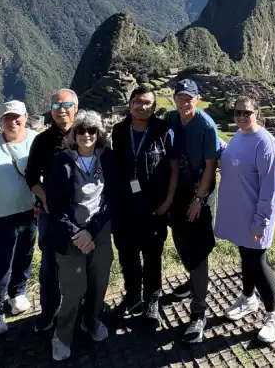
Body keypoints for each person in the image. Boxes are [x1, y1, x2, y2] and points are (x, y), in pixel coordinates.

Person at [45, 110, 115, 361]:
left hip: (100, 230)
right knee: (75, 288)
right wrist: (78, 234)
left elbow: (113, 197)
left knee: (99, 281)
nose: (87, 135)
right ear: (73, 135)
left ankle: (91, 320)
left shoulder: (107, 158)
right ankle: (62, 335)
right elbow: (56, 205)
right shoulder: (61, 161)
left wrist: (93, 230)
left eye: (92, 131)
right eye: (81, 130)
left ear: (99, 134)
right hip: (69, 233)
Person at [215, 95, 275, 343]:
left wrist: (260, 222)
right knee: (246, 256)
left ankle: (274, 313)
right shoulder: (239, 136)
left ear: (257, 112)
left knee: (258, 262)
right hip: (238, 213)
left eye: (247, 112)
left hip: (255, 216)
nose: (242, 117)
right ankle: (248, 298)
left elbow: (271, 190)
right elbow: (229, 157)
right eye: (237, 113)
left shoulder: (266, 144)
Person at [110, 84, 178, 328]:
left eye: (147, 102)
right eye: (138, 101)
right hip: (125, 207)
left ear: (154, 107)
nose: (142, 106)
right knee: (127, 256)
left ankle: (152, 301)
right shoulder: (118, 131)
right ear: (130, 104)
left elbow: (173, 169)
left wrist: (167, 202)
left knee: (152, 257)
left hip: (154, 208)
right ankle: (132, 297)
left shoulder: (163, 131)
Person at [164, 78, 221, 344]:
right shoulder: (170, 119)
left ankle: (199, 313)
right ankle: (194, 282)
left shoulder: (206, 125)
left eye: (190, 98)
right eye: (181, 98)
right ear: (174, 99)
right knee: (180, 240)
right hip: (177, 191)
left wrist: (199, 199)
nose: (185, 103)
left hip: (199, 190)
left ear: (197, 99)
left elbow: (210, 166)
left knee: (198, 250)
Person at [0, 101, 38, 337]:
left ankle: (18, 293)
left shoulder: (37, 140)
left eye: (17, 117)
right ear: (0, 120)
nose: (12, 121)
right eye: (7, 117)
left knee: (25, 253)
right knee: (2, 260)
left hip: (29, 210)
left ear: (26, 116)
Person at [25, 89, 78, 333]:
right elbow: (32, 176)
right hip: (51, 212)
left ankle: (82, 308)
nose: (61, 109)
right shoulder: (43, 140)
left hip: (82, 211)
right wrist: (45, 200)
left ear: (75, 108)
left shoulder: (87, 134)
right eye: (56, 105)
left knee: (82, 262)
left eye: (66, 104)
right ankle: (49, 311)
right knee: (49, 264)